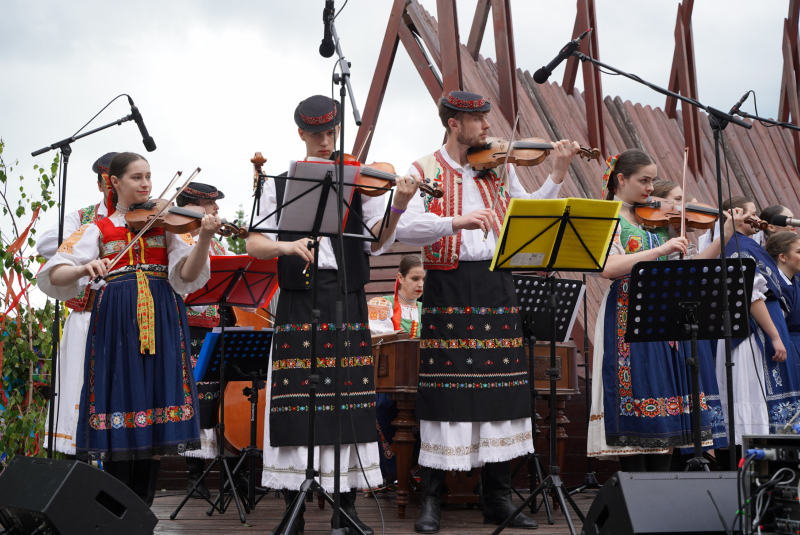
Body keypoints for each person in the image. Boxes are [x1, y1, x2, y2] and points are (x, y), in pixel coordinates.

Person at [395, 90, 583, 533]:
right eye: (478, 120)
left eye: (485, 118)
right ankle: (432, 499)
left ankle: (496, 499)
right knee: (445, 392)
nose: (486, 127)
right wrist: (453, 222)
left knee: (502, 388)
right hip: (449, 284)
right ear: (453, 124)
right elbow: (404, 226)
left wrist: (556, 173)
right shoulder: (424, 169)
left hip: (499, 283)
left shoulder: (498, 165)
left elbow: (530, 211)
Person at [246, 94, 419, 535]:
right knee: (295, 403)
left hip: (346, 297)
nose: (326, 140)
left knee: (347, 401)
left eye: (331, 132)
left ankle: (346, 509)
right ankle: (294, 509)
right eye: (318, 134)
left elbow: (377, 241)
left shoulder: (357, 181)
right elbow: (254, 243)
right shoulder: (281, 183)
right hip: (300, 299)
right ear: (301, 134)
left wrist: (397, 204)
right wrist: (286, 245)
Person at [37, 152, 220, 506]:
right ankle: (119, 513)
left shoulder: (167, 225)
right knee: (119, 404)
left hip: (164, 319)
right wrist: (84, 268)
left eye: (149, 176)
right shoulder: (97, 228)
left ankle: (143, 513)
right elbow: (54, 273)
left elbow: (187, 275)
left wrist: (203, 240)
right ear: (114, 183)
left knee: (156, 404)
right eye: (136, 177)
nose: (146, 184)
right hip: (116, 326)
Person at [586, 149, 733, 472]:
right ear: (621, 180)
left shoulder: (657, 221)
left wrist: (724, 236)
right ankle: (635, 490)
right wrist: (661, 248)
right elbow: (608, 267)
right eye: (644, 180)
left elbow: (686, 266)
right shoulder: (607, 217)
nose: (651, 189)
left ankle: (662, 492)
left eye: (653, 180)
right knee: (636, 395)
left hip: (665, 315)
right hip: (626, 313)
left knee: (666, 403)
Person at [37, 152, 116, 457]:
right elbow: (45, 243)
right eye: (108, 184)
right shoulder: (83, 218)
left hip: (128, 317)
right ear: (101, 185)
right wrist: (92, 239)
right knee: (78, 387)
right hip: (86, 316)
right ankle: (79, 457)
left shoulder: (142, 220)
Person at [717, 196, 800, 445]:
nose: (757, 219)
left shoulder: (750, 245)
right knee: (756, 391)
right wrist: (774, 335)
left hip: (767, 325)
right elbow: (751, 294)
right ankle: (755, 457)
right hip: (754, 331)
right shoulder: (737, 246)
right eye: (751, 213)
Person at [173, 182, 232, 500]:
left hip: (218, 329)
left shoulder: (220, 246)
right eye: (212, 206)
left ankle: (227, 478)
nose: (217, 211)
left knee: (220, 400)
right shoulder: (180, 238)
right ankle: (194, 479)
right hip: (189, 328)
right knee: (195, 401)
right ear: (194, 207)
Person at [368, 254, 425, 481]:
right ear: (400, 277)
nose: (420, 284)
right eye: (414, 278)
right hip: (388, 381)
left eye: (423, 279)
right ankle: (391, 473)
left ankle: (423, 469)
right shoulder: (382, 304)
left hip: (421, 380)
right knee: (383, 405)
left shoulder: (427, 309)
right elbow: (378, 339)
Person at [767, 231, 800, 356]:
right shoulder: (770, 286)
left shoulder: (795, 282)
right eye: (799, 252)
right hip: (784, 349)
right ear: (782, 257)